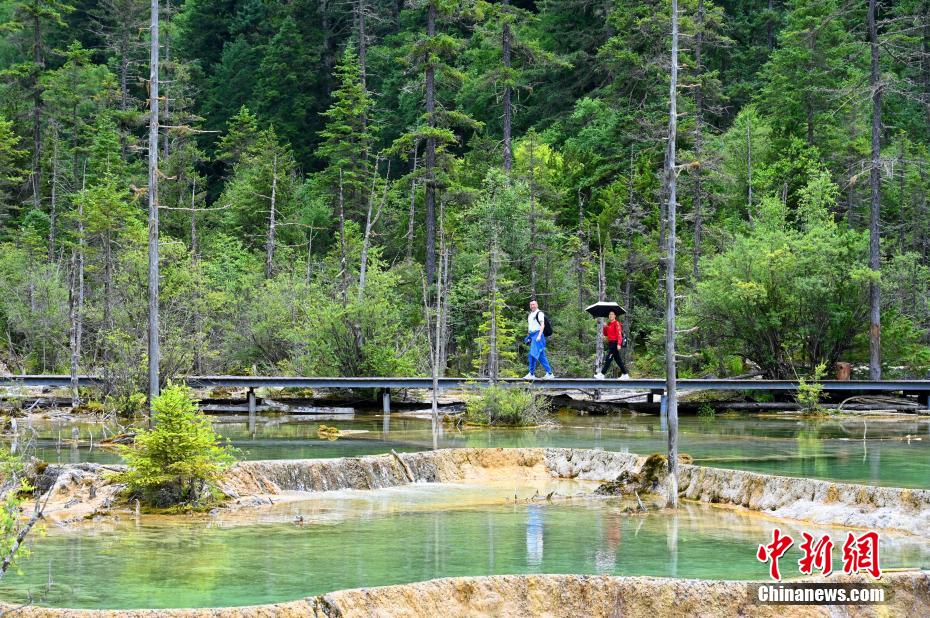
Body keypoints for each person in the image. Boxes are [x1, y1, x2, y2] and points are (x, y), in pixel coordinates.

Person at [524, 300, 554, 380]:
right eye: (531, 305)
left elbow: (542, 325)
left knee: (532, 354)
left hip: (538, 335)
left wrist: (539, 336)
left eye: (533, 304)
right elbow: (530, 327)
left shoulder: (539, 313)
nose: (532, 306)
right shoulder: (530, 315)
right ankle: (549, 373)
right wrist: (528, 337)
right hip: (532, 335)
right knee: (540, 356)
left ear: (537, 305)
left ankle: (532, 373)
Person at [595, 311, 629, 379]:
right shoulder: (609, 324)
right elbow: (605, 334)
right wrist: (605, 327)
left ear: (615, 316)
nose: (610, 315)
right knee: (618, 360)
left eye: (612, 314)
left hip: (615, 343)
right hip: (611, 343)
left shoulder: (616, 323)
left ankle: (602, 374)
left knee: (608, 358)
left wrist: (619, 344)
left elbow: (619, 334)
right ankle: (625, 374)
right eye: (609, 314)